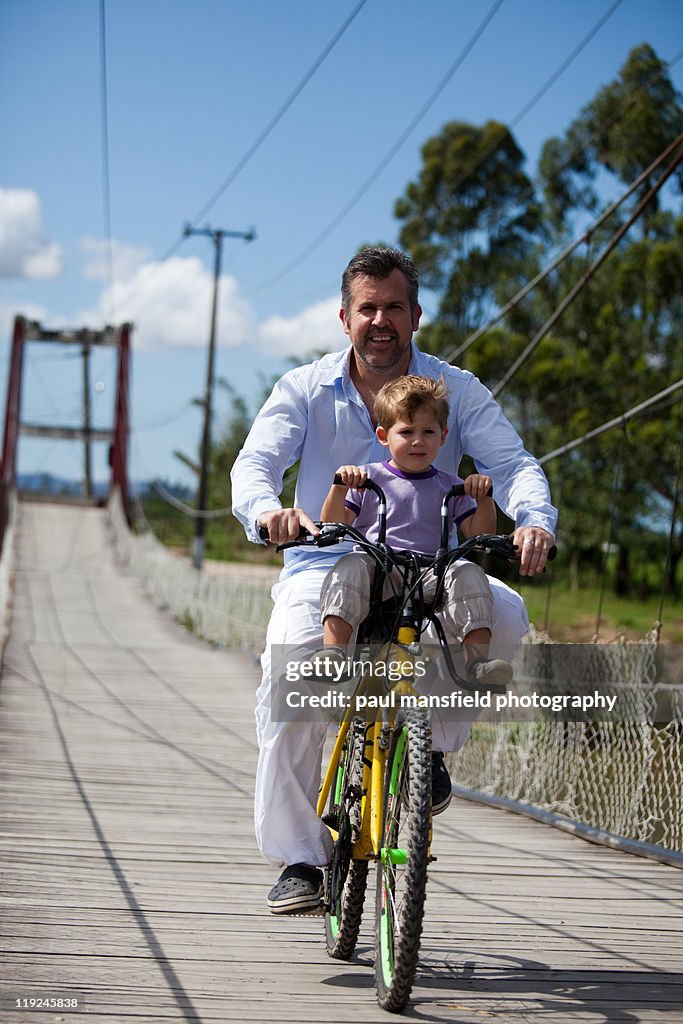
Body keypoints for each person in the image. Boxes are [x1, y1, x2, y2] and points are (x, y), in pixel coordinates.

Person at [231, 246, 557, 915]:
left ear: (415, 316)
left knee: (507, 613)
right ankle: (299, 859)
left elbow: (514, 462)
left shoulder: (455, 389)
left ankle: (427, 749)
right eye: (367, 308)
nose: (381, 320)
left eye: (394, 308)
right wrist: (268, 512)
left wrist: (534, 521)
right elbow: (256, 460)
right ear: (344, 317)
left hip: (430, 565)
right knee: (290, 678)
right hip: (329, 562)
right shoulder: (304, 388)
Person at [318, 374, 514, 701]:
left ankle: (477, 663)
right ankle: (333, 653)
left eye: (428, 432)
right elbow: (332, 525)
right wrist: (339, 486)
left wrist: (484, 498)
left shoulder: (451, 485)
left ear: (443, 436)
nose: (418, 442)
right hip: (378, 570)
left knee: (468, 571)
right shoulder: (367, 479)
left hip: (429, 575)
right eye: (406, 432)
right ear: (384, 436)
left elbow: (480, 535)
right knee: (350, 564)